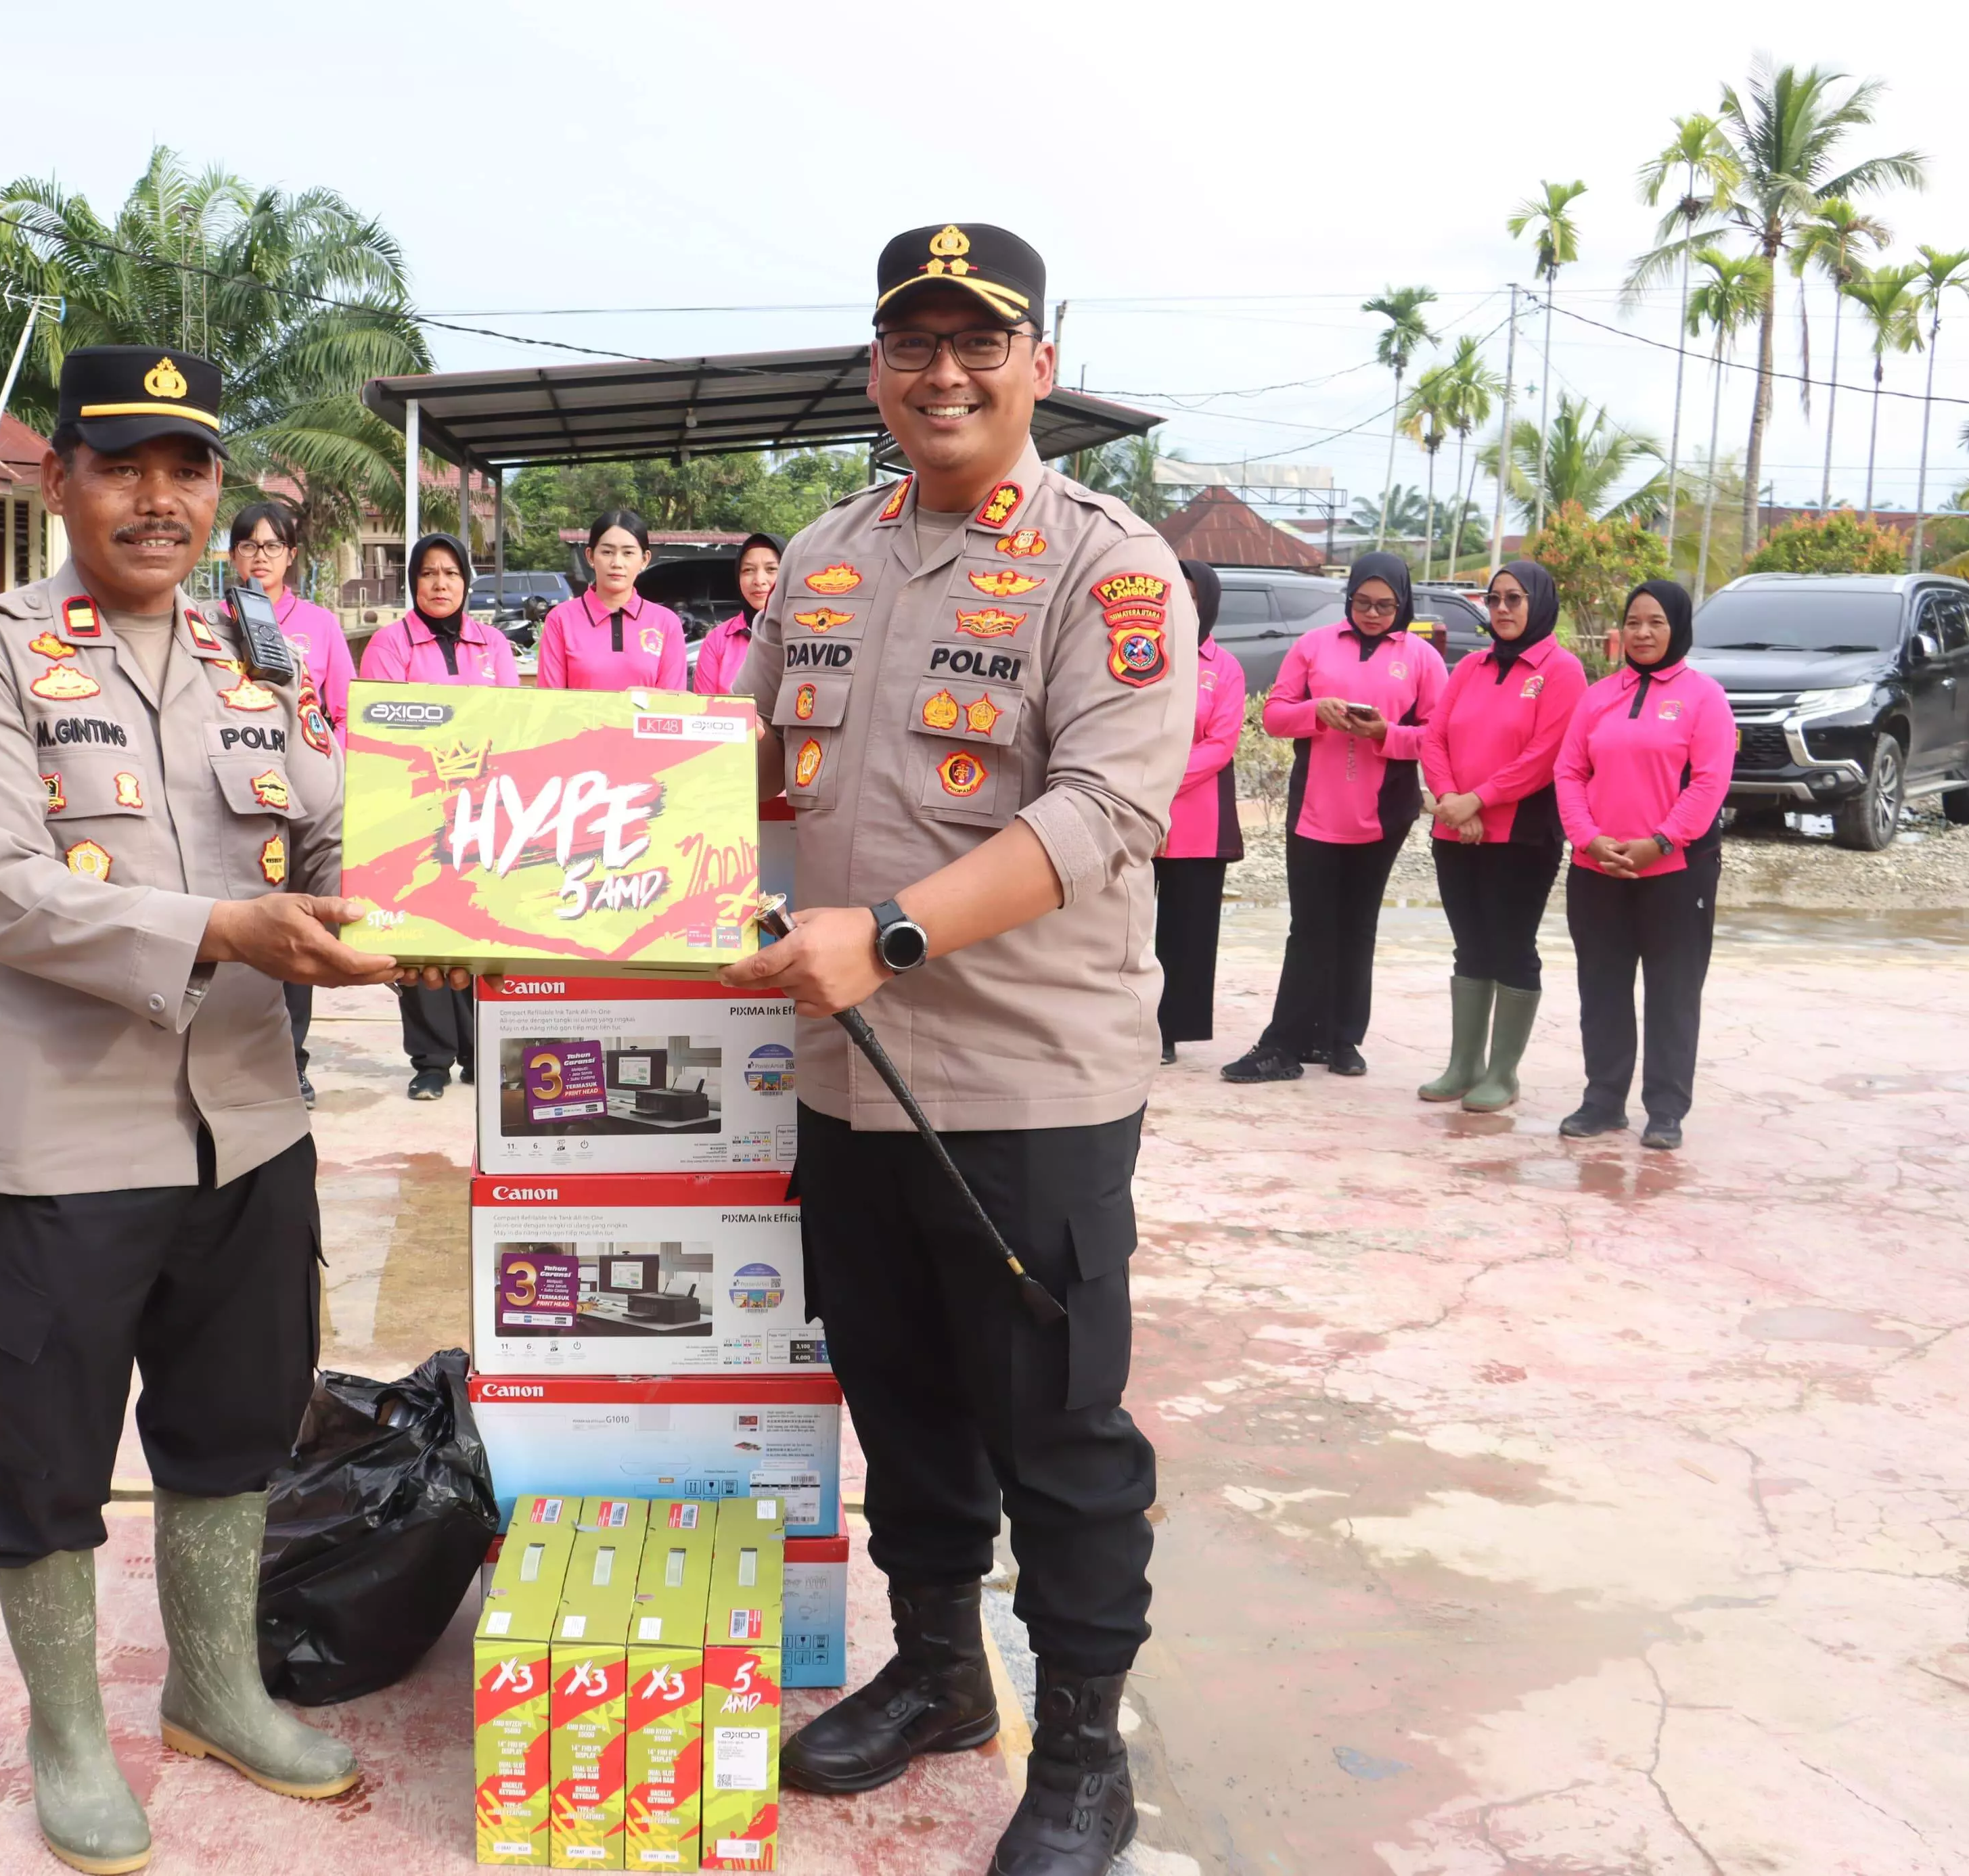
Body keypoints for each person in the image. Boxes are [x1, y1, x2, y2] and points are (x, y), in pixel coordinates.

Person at [0, 344, 426, 1875]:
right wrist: (219, 930)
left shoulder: (250, 663)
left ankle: (216, 1687)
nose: (159, 497)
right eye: (121, 463)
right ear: (54, 476)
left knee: (232, 1431)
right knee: (47, 1452)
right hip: (69, 1139)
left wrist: (521, 858)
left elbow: (363, 822)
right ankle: (67, 1733)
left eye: (187, 467)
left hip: (254, 1125)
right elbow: (4, 896)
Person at [719, 223, 1192, 1876]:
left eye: (977, 342)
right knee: (899, 1395)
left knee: (1056, 1429)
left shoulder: (1107, 567)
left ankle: (1080, 1757)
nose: (943, 372)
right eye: (910, 343)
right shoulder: (825, 555)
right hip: (845, 1080)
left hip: (1025, 1088)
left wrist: (891, 934)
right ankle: (938, 1673)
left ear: (1038, 368)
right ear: (874, 368)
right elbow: (750, 782)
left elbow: (1105, 808)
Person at [1221, 551, 1446, 1083]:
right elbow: (1274, 716)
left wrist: (1385, 734)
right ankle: (1284, 1044)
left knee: (1358, 926)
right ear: (1348, 601)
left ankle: (1341, 1038)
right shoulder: (1313, 645)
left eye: (1385, 605)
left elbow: (1438, 736)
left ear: (1402, 603)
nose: (1373, 614)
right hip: (1316, 811)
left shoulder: (1420, 658)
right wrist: (1312, 712)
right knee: (1311, 927)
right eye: (1363, 603)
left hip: (1383, 812)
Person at [1554, 578, 1735, 1151]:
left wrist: (1660, 841)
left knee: (1673, 991)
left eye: (1656, 621)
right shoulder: (1598, 695)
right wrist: (1587, 838)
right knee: (1602, 988)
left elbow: (1709, 782)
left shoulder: (1705, 698)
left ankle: (1666, 1109)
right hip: (1597, 868)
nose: (1643, 631)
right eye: (1634, 621)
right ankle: (1603, 1101)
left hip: (1677, 872)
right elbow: (1569, 772)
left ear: (1677, 626)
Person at [1413, 560, 1581, 1112]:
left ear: (1539, 603)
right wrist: (1452, 802)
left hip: (1522, 834)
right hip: (1456, 831)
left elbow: (1546, 754)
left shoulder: (1562, 671)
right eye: (1495, 599)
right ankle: (1464, 1065)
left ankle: (1503, 1073)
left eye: (1515, 598)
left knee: (1511, 947)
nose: (1503, 609)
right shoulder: (1470, 667)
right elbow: (1433, 737)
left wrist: (1477, 800)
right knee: (1471, 945)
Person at [357, 532, 517, 1098]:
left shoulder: (493, 644)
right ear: (414, 582)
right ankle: (430, 1060)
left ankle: (480, 1050)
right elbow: (380, 727)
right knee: (421, 933)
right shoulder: (389, 644)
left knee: (480, 922)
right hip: (415, 807)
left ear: (467, 582)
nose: (441, 584)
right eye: (429, 574)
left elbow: (513, 722)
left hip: (484, 807)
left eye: (451, 573)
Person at [229, 499, 357, 1109]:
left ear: (291, 555)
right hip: (234, 799)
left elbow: (344, 714)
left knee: (296, 923)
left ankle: (293, 1060)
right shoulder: (210, 620)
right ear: (231, 555)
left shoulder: (320, 625)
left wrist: (335, 782)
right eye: (249, 545)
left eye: (272, 545)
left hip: (302, 800)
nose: (260, 556)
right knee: (238, 926)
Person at [1152, 559, 1244, 1065]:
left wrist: (1158, 782)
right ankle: (1125, 1023)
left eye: (1192, 595)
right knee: (1123, 929)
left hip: (1196, 820)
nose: (1182, 604)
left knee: (1187, 932)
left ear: (1207, 603)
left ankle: (1169, 1030)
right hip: (1136, 813)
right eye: (1174, 592)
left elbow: (1220, 745)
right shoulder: (1141, 653)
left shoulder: (1225, 668)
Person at [533, 509, 688, 691]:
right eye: (607, 552)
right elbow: (551, 700)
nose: (617, 563)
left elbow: (673, 704)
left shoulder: (666, 623)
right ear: (590, 556)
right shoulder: (560, 620)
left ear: (645, 560)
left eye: (628, 553)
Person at [692, 530, 782, 695]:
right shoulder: (718, 640)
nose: (759, 581)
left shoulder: (804, 635)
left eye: (771, 569)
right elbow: (704, 710)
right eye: (748, 570)